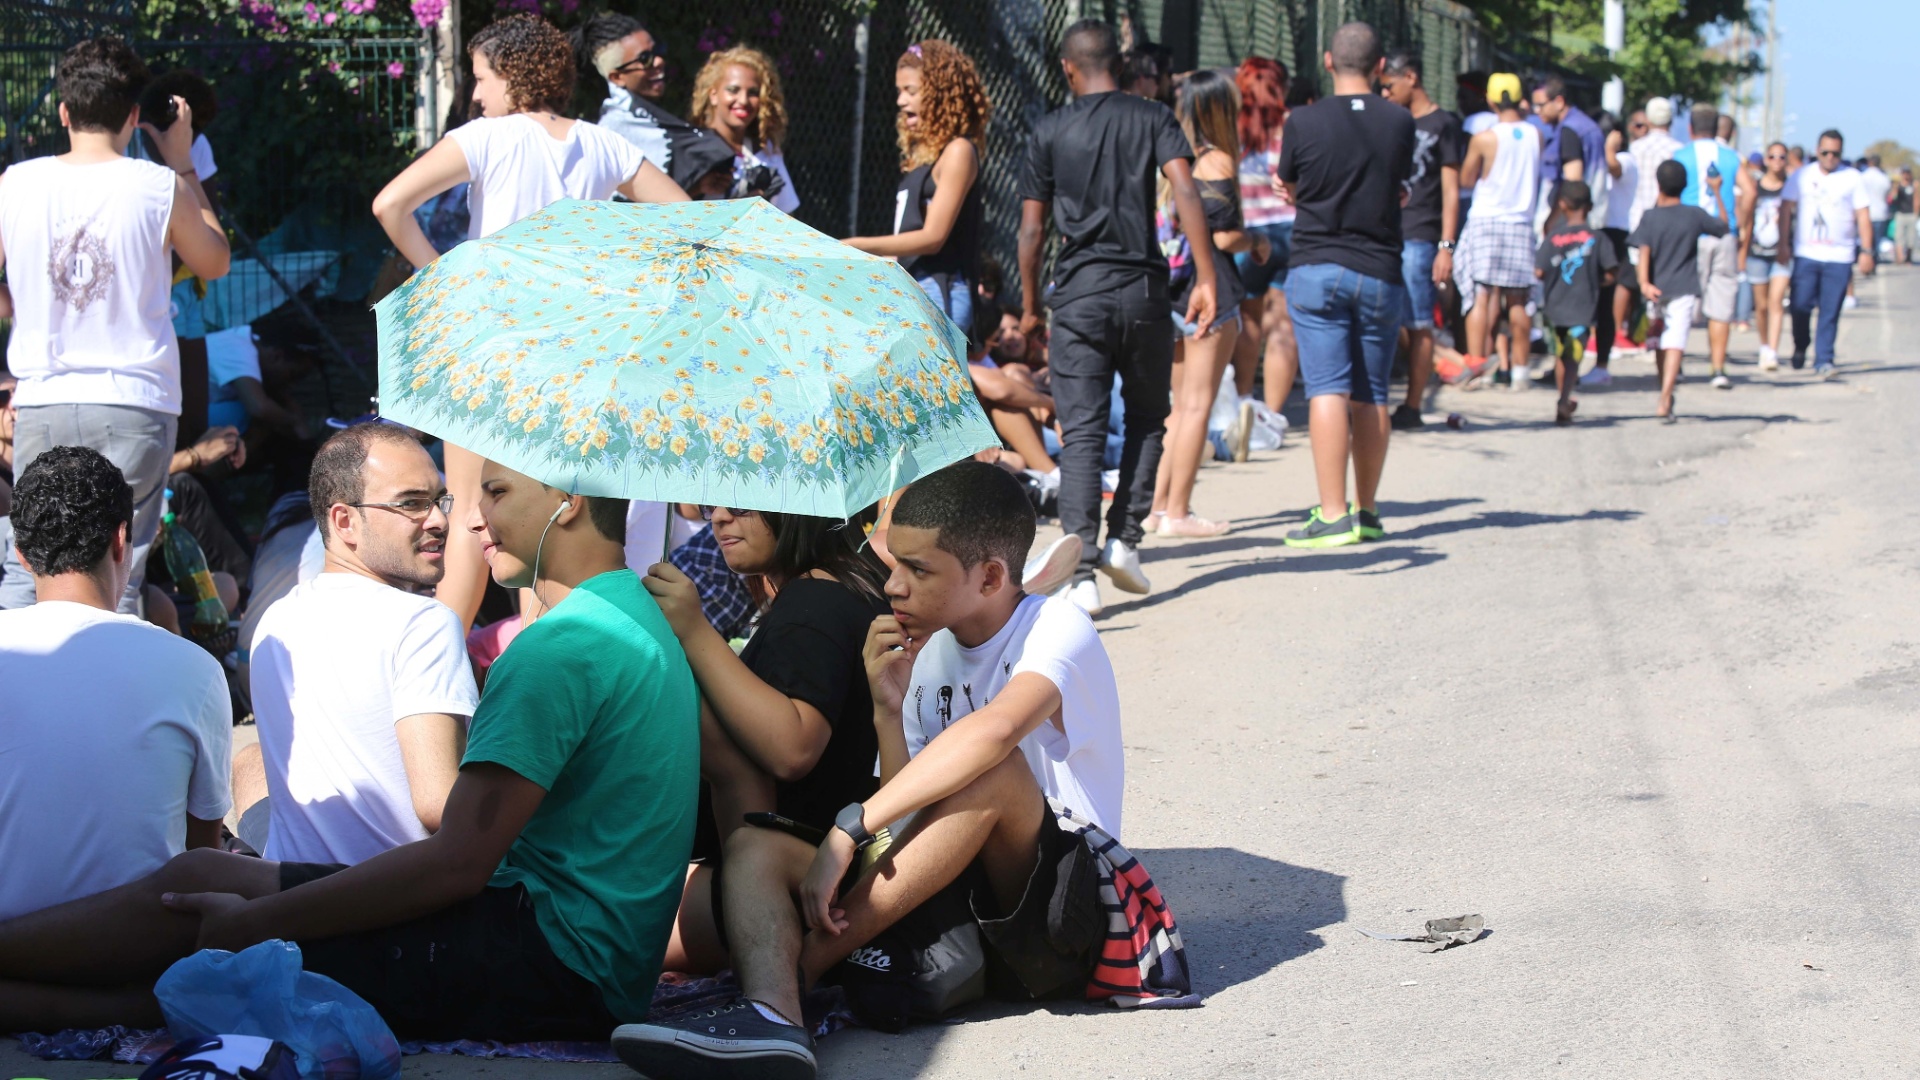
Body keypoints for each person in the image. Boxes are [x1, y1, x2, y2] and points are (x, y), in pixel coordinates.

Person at [0, 456, 698, 1039]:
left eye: (496, 492)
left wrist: (259, 921)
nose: (470, 520)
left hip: (551, 963)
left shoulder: (564, 645)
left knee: (210, 962)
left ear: (568, 501)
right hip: (560, 945)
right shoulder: (629, 612)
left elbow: (455, 860)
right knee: (202, 875)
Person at [611, 462, 1164, 1080]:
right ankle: (773, 1017)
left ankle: (803, 966)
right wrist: (888, 712)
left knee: (993, 769)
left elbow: (995, 735)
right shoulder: (931, 653)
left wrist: (850, 832)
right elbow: (912, 816)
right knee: (758, 843)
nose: (893, 586)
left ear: (989, 577)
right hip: (951, 903)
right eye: (894, 564)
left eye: (917, 571)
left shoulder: (1056, 626)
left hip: (1062, 914)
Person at [372, 13, 687, 635]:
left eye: (481, 78)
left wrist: (445, 276)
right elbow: (683, 218)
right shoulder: (604, 143)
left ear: (513, 77)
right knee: (548, 519)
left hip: (490, 348)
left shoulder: (489, 137)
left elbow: (390, 203)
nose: (476, 94)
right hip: (577, 358)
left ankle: (434, 661)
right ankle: (551, 658)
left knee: (471, 510)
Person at [0, 38, 231, 613]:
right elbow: (214, 262)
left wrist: (20, 304)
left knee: (29, 564)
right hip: (135, 398)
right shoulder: (159, 187)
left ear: (63, 112)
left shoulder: (14, 184)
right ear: (133, 115)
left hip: (45, 399)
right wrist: (179, 158)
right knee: (119, 573)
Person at [1016, 19, 1218, 614]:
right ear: (1118, 65)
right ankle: (1127, 540)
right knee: (1150, 419)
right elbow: (1186, 191)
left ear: (1068, 68)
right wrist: (1205, 276)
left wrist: (1030, 307)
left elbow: (1031, 230)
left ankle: (1081, 575)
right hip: (1145, 294)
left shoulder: (1050, 129)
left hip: (1078, 297)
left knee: (1080, 432)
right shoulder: (1153, 116)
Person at [641, 507, 891, 975]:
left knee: (591, 921)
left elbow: (792, 748)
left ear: (795, 506)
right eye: (715, 503)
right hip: (805, 871)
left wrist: (693, 631)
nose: (718, 518)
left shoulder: (813, 604)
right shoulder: (848, 581)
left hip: (782, 887)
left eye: (740, 506)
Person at [0, 446, 231, 925]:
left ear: (21, 555)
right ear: (122, 539)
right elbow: (199, 859)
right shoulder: (193, 668)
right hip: (134, 962)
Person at [247, 424, 478, 866]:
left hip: (288, 891)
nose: (440, 520)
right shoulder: (424, 622)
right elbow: (438, 806)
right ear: (344, 520)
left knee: (248, 760)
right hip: (391, 907)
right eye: (412, 504)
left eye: (439, 500)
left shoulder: (276, 620)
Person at [1276, 23, 1412, 549]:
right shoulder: (1400, 120)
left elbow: (1291, 183)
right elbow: (1393, 183)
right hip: (1379, 267)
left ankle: (1332, 514)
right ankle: (1368, 510)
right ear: (1381, 68)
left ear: (1329, 61)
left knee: (1327, 387)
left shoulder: (1302, 119)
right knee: (1372, 391)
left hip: (1316, 263)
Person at [1147, 69, 1256, 539]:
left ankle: (1155, 508)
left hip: (1171, 289)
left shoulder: (1165, 161)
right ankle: (1179, 512)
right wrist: (1259, 242)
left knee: (1176, 409)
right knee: (1198, 407)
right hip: (1212, 290)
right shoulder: (1217, 162)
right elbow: (1225, 235)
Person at [843, 41, 992, 353]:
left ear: (939, 92)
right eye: (900, 91)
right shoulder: (923, 159)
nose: (901, 100)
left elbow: (933, 237)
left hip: (939, 289)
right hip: (911, 286)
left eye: (911, 90)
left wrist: (858, 245)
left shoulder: (958, 151)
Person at [1379, 49, 1463, 431]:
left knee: (1417, 321)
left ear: (1410, 77)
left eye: (1389, 85)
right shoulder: (1389, 119)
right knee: (1382, 316)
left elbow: (1450, 189)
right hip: (1383, 231)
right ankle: (1377, 401)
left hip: (1421, 234)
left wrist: (1446, 245)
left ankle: (1412, 405)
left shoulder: (1443, 123)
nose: (1385, 94)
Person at [577, 13, 736, 194]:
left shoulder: (651, 118)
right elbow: (634, 208)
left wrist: (698, 187)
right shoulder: (615, 131)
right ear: (617, 77)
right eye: (645, 59)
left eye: (657, 51)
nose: (659, 61)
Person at [1454, 73, 1539, 390]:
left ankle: (1479, 365)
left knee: (1481, 294)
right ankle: (1520, 370)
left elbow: (1466, 179)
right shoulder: (1535, 135)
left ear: (1490, 100)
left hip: (1487, 220)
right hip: (1521, 222)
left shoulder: (1485, 138)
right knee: (1518, 300)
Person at [1628, 159, 1731, 421]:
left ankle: (1664, 390)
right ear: (1685, 185)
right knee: (1675, 343)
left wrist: (1643, 283)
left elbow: (1644, 250)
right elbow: (1723, 225)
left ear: (1659, 184)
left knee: (1661, 344)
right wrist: (1717, 191)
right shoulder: (1693, 214)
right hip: (1684, 287)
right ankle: (1666, 395)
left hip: (1656, 289)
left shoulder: (1650, 217)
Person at [1230, 58, 1298, 422]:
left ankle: (1244, 401)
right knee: (1284, 324)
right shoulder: (1293, 126)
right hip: (1290, 230)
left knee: (1248, 320)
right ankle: (1272, 415)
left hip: (1248, 235)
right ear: (1281, 87)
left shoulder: (1232, 126)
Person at [1780, 129, 1875, 376]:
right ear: (1817, 150)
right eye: (1825, 152)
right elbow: (1786, 209)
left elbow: (1863, 216)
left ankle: (1824, 358)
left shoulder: (1852, 178)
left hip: (1839, 256)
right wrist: (1783, 244)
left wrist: (1866, 250)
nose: (1830, 157)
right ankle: (1801, 345)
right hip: (1806, 253)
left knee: (1830, 310)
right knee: (1799, 306)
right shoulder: (1802, 175)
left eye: (1835, 153)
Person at [1673, 103, 1754, 390]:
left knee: (1682, 301)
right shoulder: (1731, 157)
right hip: (1723, 234)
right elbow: (1750, 191)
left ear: (1691, 128)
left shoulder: (1680, 156)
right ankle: (1717, 368)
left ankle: (1677, 364)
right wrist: (1742, 224)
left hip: (1688, 235)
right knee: (1720, 304)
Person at [1535, 181, 1616, 426]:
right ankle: (1563, 398)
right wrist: (1595, 282)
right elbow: (1612, 272)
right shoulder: (1598, 237)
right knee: (1572, 357)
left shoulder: (1553, 238)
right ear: (1590, 206)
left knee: (1563, 355)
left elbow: (1539, 272)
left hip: (1555, 308)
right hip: (1582, 307)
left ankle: (1564, 397)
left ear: (1562, 204)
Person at [691, 47, 800, 214]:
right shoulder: (691, 148)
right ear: (713, 95)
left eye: (753, 93)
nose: (743, 100)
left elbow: (787, 218)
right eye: (733, 90)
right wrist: (699, 188)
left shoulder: (767, 152)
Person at [1742, 143, 1793, 372]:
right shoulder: (1756, 187)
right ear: (1766, 159)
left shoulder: (1791, 188)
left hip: (1782, 252)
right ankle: (1764, 344)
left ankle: (1772, 351)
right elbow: (1748, 220)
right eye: (1772, 156)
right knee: (1761, 306)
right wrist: (1742, 251)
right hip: (1757, 251)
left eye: (1782, 157)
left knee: (1776, 301)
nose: (1777, 161)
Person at [1858, 154, 1892, 272]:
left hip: (1866, 213)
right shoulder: (1884, 178)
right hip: (1880, 213)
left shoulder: (1863, 176)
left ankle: (1868, 262)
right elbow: (1888, 194)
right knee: (1876, 241)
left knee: (1867, 241)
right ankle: (1873, 263)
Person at [1892, 166, 1916, 266]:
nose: (1906, 175)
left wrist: (1916, 213)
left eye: (1907, 173)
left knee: (1911, 238)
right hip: (1900, 214)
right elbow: (1893, 197)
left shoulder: (1914, 185)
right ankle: (1900, 257)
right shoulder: (1898, 186)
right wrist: (1896, 185)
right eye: (1904, 173)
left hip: (1911, 214)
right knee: (1899, 237)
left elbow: (1917, 199)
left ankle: (1908, 258)